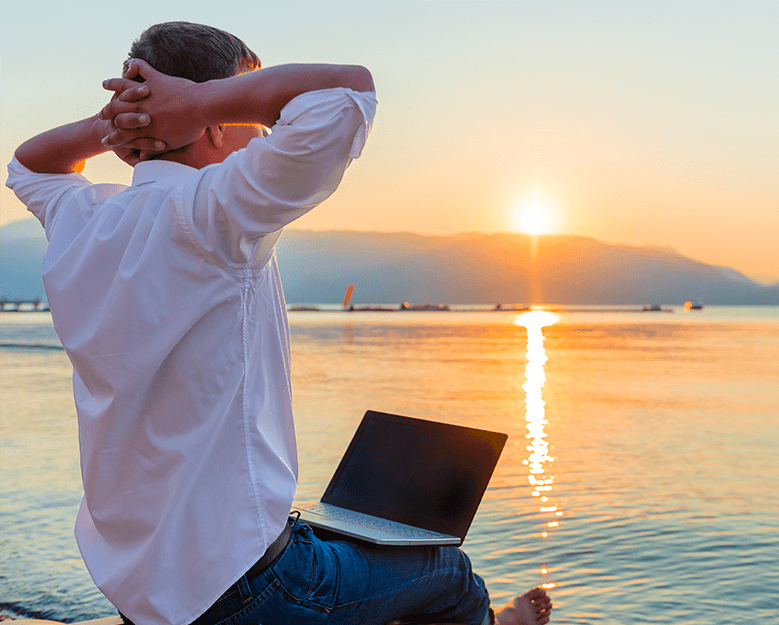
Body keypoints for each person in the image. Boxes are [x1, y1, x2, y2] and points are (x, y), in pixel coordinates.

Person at [6, 22, 551, 625]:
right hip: (242, 592)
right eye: (249, 104)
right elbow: (349, 93)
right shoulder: (214, 211)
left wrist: (125, 119)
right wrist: (194, 101)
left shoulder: (85, 220)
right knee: (447, 574)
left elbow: (30, 163)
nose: (264, 124)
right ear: (210, 121)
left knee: (354, 554)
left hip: (143, 592)